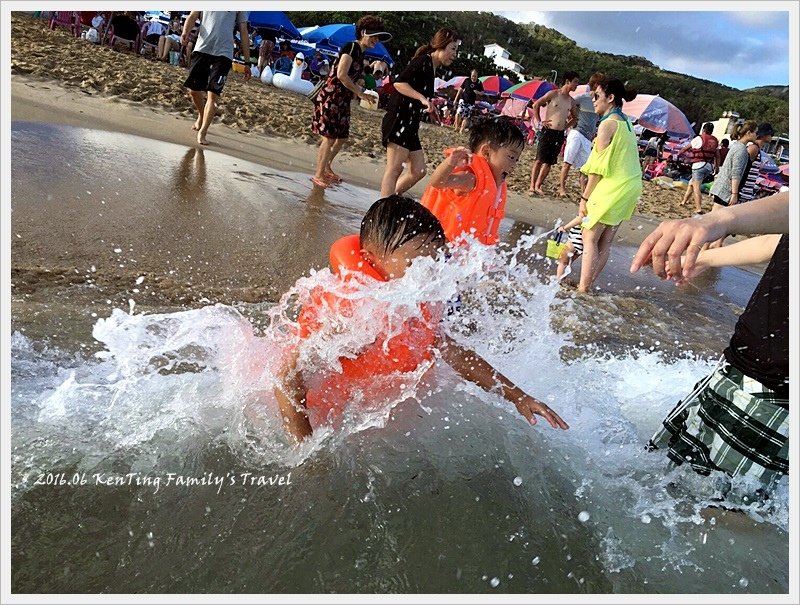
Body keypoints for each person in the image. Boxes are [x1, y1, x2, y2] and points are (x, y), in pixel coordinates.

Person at [272, 196, 570, 442]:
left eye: (435, 259)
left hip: (372, 402)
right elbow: (286, 379)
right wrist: (306, 449)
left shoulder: (413, 301)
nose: (427, 271)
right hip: (325, 409)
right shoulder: (352, 318)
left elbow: (452, 351)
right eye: (417, 261)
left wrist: (517, 396)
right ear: (371, 257)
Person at [630, 190, 789, 496]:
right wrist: (700, 257)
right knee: (664, 475)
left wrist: (718, 219)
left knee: (728, 516)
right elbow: (776, 242)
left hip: (775, 397)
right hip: (738, 367)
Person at [310, 15, 391, 189]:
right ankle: (318, 173)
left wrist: (368, 76)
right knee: (330, 138)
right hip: (331, 97)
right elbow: (341, 74)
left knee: (341, 137)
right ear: (363, 33)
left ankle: (327, 166)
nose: (376, 40)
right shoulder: (351, 47)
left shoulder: (360, 52)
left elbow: (355, 75)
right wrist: (360, 93)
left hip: (342, 99)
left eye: (378, 37)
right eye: (374, 36)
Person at [576, 77, 641, 294]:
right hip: (631, 185)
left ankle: (583, 288)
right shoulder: (627, 122)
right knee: (605, 240)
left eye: (597, 96)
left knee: (590, 236)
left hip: (614, 185)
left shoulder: (607, 124)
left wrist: (584, 199)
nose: (593, 100)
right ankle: (589, 283)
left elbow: (597, 168)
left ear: (610, 98)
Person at [379, 28, 460, 198]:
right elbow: (399, 83)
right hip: (399, 119)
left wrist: (428, 108)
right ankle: (382, 209)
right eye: (452, 48)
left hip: (410, 123)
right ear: (441, 45)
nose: (454, 54)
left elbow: (416, 95)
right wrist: (423, 99)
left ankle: (391, 197)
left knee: (418, 170)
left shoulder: (432, 67)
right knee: (393, 170)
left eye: (456, 50)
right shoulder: (423, 61)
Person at [420, 115, 525, 245]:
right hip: (444, 249)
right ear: (486, 152)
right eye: (511, 157)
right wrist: (450, 163)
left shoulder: (493, 184)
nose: (514, 165)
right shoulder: (471, 178)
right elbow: (437, 182)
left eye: (517, 160)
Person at [182, 11, 250, 146]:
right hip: (202, 48)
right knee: (194, 91)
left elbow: (243, 31)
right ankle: (202, 115)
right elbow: (192, 16)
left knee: (213, 96)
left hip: (224, 53)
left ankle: (203, 131)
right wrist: (185, 32)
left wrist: (247, 62)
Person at [522, 71, 579, 196]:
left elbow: (575, 117)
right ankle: (532, 186)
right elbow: (536, 104)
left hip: (559, 133)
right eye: (575, 82)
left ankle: (538, 185)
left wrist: (566, 126)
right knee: (539, 159)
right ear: (568, 81)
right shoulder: (553, 94)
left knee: (549, 162)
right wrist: (540, 121)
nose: (576, 85)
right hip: (548, 130)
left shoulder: (571, 101)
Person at [707, 120, 758, 248]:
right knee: (714, 222)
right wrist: (734, 193)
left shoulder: (736, 146)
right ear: (748, 133)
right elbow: (735, 173)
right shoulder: (741, 150)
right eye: (755, 133)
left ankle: (706, 248)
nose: (757, 136)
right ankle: (701, 249)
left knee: (714, 221)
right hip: (726, 190)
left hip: (721, 188)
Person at [557, 71, 604, 199]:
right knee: (567, 162)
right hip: (577, 133)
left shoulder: (601, 102)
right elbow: (569, 103)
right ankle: (562, 189)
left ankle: (584, 193)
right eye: (600, 85)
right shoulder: (583, 98)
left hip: (588, 138)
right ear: (594, 85)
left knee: (585, 168)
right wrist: (566, 118)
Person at [677, 123, 719, 214]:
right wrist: (717, 168)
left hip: (699, 166)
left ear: (703, 129)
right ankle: (684, 201)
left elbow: (685, 148)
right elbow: (717, 155)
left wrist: (679, 154)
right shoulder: (715, 140)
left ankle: (698, 208)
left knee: (696, 187)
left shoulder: (699, 138)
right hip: (709, 166)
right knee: (691, 183)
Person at [739, 123, 775, 203]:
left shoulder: (756, 149)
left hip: (746, 192)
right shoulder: (754, 148)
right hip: (742, 192)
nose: (771, 137)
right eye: (770, 134)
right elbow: (742, 168)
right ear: (764, 135)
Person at [554, 214, 584, 280]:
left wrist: (564, 228)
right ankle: (563, 279)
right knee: (568, 263)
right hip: (583, 243)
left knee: (562, 261)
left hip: (574, 239)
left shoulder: (585, 206)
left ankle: (558, 281)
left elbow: (579, 219)